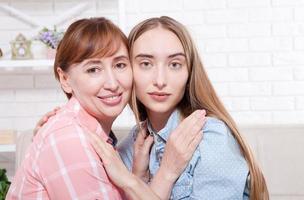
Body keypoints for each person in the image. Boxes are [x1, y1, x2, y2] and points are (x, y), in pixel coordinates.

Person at [6, 17, 206, 200]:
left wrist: (136, 175)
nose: (112, 83)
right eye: (93, 69)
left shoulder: (96, 137)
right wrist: (167, 171)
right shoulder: (69, 139)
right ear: (65, 79)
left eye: (119, 65)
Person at [92, 16, 269, 200]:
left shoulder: (209, 136)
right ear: (127, 69)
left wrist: (134, 182)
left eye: (175, 65)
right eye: (146, 64)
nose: (160, 81)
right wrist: (138, 177)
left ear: (189, 72)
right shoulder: (132, 145)